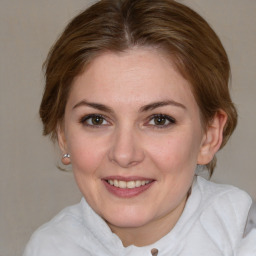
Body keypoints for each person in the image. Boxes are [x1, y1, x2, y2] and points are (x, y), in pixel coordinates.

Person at [23, 0, 256, 255]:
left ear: (209, 137)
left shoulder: (244, 234)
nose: (124, 154)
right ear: (63, 135)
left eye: (159, 120)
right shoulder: (48, 247)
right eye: (96, 120)